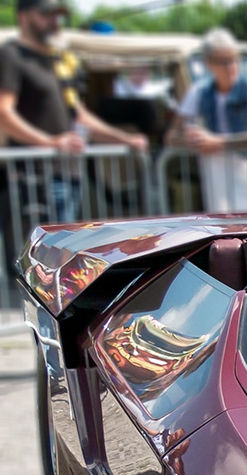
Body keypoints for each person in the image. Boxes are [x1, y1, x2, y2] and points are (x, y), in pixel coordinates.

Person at [0, 0, 148, 272]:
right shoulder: (11, 55)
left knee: (60, 264)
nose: (55, 21)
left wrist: (124, 138)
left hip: (68, 175)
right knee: (41, 268)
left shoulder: (56, 59)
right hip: (34, 179)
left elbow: (78, 114)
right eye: (46, 14)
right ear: (23, 16)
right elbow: (4, 112)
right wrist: (51, 143)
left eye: (57, 15)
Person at [167, 29, 247, 153]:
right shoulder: (198, 91)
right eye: (223, 62)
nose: (231, 67)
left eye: (234, 59)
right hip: (219, 166)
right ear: (208, 64)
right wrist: (192, 140)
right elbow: (171, 137)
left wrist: (218, 142)